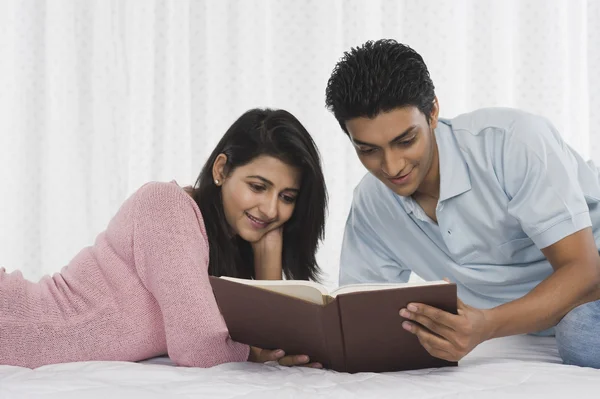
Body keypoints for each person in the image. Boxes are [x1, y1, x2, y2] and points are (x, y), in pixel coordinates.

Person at [325, 39, 600, 368]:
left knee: (581, 333)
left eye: (406, 140)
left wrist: (486, 325)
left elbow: (585, 271)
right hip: (545, 316)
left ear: (433, 112)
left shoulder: (512, 142)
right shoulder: (372, 204)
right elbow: (360, 314)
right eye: (368, 150)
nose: (392, 166)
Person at [0, 108, 327, 369]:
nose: (270, 209)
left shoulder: (230, 245)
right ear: (221, 170)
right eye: (258, 186)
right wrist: (254, 353)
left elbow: (267, 339)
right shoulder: (167, 207)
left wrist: (267, 258)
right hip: (17, 320)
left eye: (287, 197)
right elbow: (200, 348)